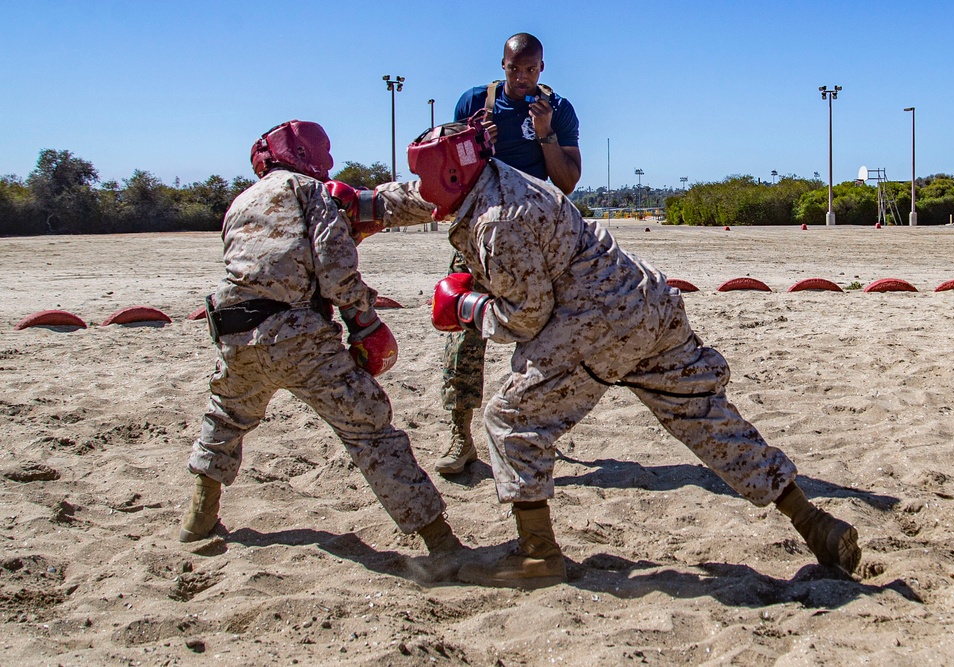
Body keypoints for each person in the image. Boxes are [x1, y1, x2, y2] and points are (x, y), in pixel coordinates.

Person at [406, 118, 862, 589]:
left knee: (511, 417)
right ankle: (814, 524)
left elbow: (526, 318)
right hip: (649, 302)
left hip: (596, 322)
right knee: (703, 416)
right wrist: (360, 206)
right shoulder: (499, 176)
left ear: (453, 176)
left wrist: (468, 306)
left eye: (424, 176)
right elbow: (415, 197)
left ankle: (537, 554)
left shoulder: (497, 221)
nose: (420, 188)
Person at [178, 120, 464, 575]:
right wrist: (363, 321)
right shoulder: (310, 191)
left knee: (226, 416)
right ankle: (442, 543)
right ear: (306, 152)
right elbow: (333, 267)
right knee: (369, 426)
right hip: (294, 331)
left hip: (233, 333)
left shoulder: (240, 202)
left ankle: (198, 519)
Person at [435, 32, 582, 475]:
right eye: (513, 68)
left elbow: (568, 181)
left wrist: (545, 135)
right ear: (502, 65)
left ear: (542, 69)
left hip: (535, 240)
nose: (521, 77)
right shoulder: (474, 102)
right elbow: (447, 172)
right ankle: (460, 437)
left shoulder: (558, 110)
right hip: (478, 236)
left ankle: (535, 431)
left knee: (546, 337)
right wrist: (473, 140)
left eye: (530, 69)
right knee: (462, 330)